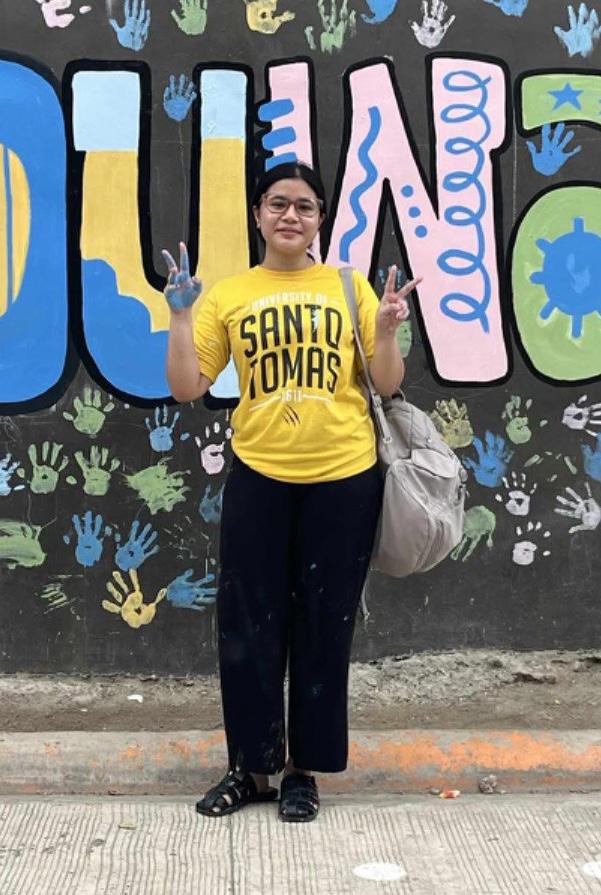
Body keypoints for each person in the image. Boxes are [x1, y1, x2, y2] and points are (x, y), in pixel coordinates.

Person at [163, 162, 420, 823]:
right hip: (260, 476)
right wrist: (182, 316)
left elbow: (386, 383)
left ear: (319, 219)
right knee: (248, 625)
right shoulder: (230, 294)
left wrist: (386, 331)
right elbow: (188, 386)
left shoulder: (348, 287)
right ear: (257, 214)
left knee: (323, 624)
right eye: (278, 204)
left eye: (304, 206)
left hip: (344, 479)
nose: (290, 216)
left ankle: (303, 771)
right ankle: (249, 769)